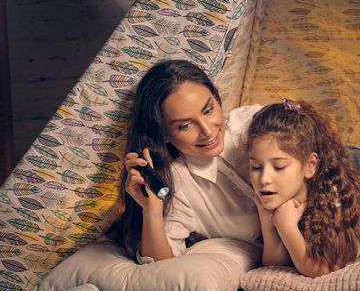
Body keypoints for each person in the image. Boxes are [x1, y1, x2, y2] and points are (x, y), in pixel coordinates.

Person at [107, 59, 262, 262]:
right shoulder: (179, 183)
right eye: (185, 126)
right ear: (163, 134)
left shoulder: (251, 123)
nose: (207, 131)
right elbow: (160, 262)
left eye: (208, 110)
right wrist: (151, 209)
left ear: (216, 98)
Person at [246, 99, 360, 278]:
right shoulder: (277, 197)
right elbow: (274, 266)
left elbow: (323, 270)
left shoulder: (332, 199)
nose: (264, 179)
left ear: (310, 165)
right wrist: (269, 223)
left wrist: (286, 226)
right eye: (256, 167)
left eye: (279, 167)